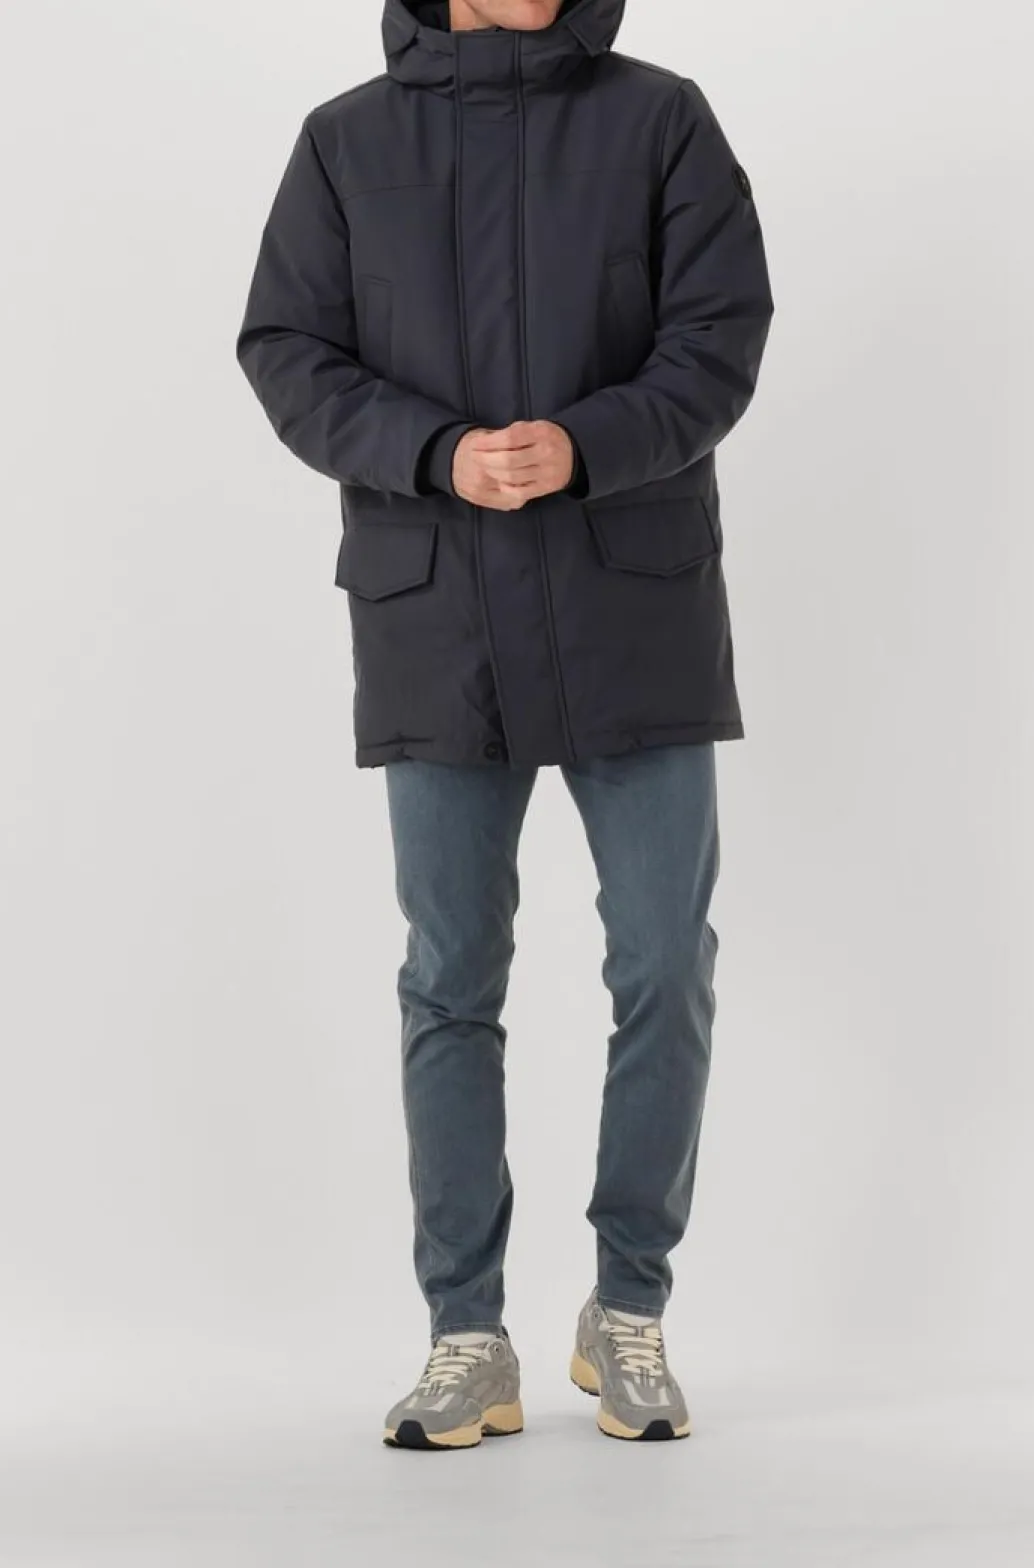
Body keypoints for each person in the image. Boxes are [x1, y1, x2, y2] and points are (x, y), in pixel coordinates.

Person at [237, 0, 773, 1449]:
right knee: (450, 980)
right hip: (438, 622)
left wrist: (587, 443)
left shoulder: (661, 117)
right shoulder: (345, 144)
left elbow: (721, 334)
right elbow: (286, 348)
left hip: (631, 613)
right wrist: (433, 451)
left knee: (665, 964)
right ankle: (465, 1335)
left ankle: (628, 1306)